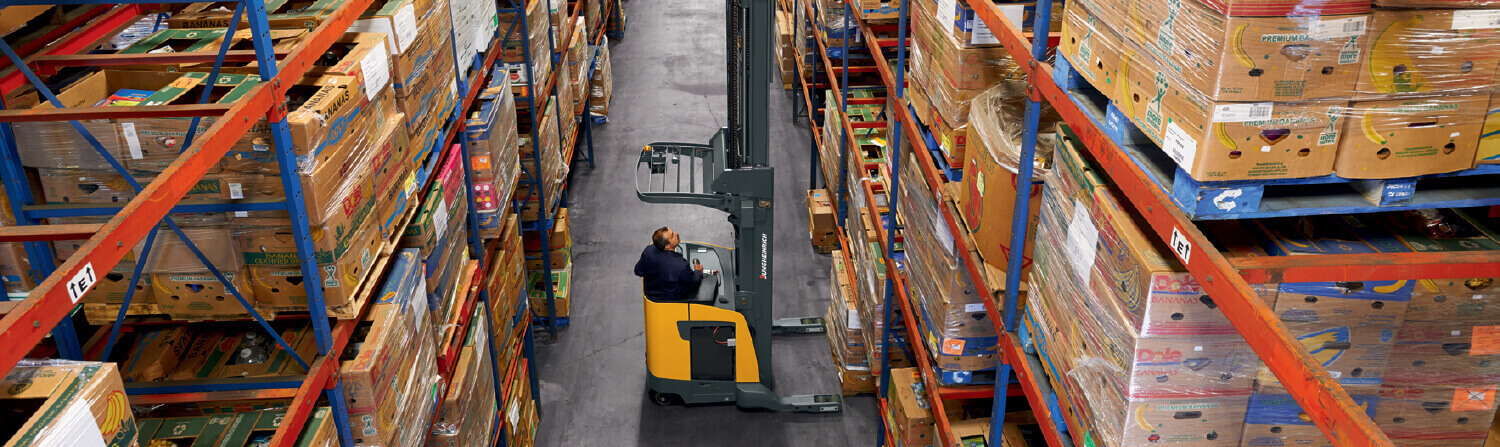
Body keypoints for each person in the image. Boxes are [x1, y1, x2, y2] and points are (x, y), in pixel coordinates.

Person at [634, 226, 718, 301]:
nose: (676, 233)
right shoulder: (680, 265)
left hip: (652, 294)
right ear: (667, 246)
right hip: (672, 297)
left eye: (673, 232)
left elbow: (638, 271)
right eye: (672, 235)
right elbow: (693, 281)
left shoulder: (648, 251)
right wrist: (698, 272)